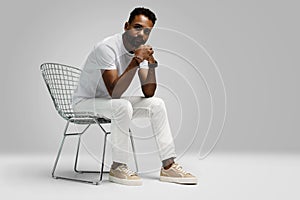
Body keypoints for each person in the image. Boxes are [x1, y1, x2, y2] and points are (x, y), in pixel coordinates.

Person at [72, 7, 197, 186]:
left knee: (157, 104)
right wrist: (136, 61)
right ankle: (118, 167)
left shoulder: (140, 51)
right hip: (85, 102)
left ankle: (168, 166)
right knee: (122, 106)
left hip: (108, 103)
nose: (141, 34)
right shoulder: (106, 48)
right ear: (126, 26)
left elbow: (149, 92)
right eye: (137, 27)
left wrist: (151, 64)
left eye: (147, 31)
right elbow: (114, 92)